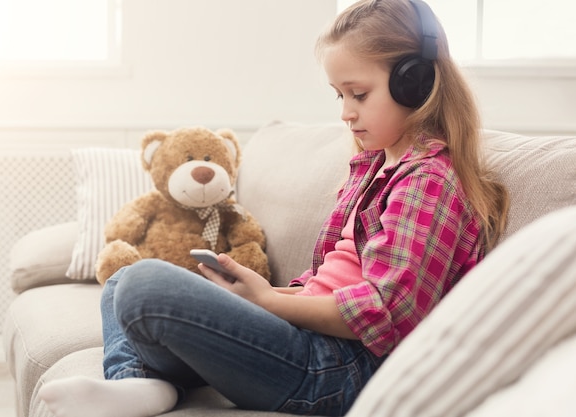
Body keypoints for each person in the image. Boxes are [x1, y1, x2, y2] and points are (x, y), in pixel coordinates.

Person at [38, 1, 509, 416]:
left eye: (358, 94)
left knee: (143, 285)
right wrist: (267, 295)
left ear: (415, 82)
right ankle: (141, 386)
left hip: (342, 367)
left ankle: (144, 380)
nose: (345, 111)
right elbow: (329, 282)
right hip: (309, 343)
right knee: (122, 279)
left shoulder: (428, 180)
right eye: (339, 95)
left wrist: (267, 303)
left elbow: (388, 313)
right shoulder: (371, 168)